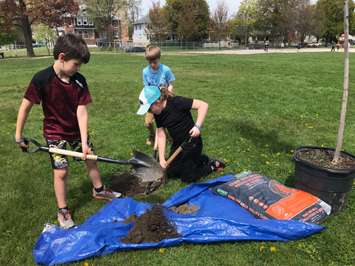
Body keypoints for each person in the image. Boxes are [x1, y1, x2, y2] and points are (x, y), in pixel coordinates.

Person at [15, 33, 121, 229]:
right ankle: (63, 209)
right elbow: (25, 107)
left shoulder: (79, 80)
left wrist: (84, 142)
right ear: (62, 57)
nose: (78, 68)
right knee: (61, 171)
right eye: (76, 64)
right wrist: (18, 135)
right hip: (55, 133)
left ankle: (99, 190)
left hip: (76, 131)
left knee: (91, 159)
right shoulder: (42, 79)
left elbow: (82, 112)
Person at [137, 85, 225, 183]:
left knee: (187, 177)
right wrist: (162, 159)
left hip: (192, 143)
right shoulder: (158, 114)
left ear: (157, 102)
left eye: (149, 109)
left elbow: (203, 105)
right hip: (178, 144)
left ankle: (213, 165)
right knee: (171, 172)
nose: (149, 112)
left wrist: (197, 126)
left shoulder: (177, 102)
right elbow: (161, 135)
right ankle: (202, 159)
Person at [142, 45, 175, 145]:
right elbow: (146, 87)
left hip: (165, 101)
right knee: (148, 123)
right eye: (150, 62)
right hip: (152, 102)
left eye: (154, 62)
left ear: (159, 58)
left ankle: (169, 137)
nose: (152, 64)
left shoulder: (166, 70)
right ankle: (152, 136)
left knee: (166, 122)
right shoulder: (145, 71)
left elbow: (171, 84)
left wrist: (167, 92)